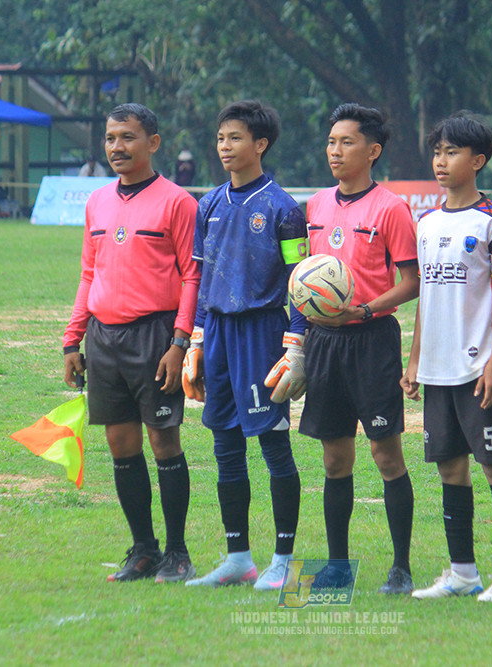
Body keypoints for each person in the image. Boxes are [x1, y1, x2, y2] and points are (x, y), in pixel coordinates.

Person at [63, 103, 200, 583]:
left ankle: (178, 552)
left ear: (153, 143)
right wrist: (71, 340)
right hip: (104, 337)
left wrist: (180, 341)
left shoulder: (178, 202)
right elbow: (88, 273)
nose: (117, 147)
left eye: (127, 137)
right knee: (121, 443)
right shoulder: (97, 203)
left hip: (155, 335)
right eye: (110, 138)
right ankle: (143, 550)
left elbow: (192, 276)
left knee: (163, 440)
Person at [181, 100, 308, 590]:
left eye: (235, 138)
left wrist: (295, 346)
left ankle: (283, 560)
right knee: (224, 446)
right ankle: (238, 558)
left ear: (260, 144)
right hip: (216, 335)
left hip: (261, 334)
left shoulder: (283, 208)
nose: (225, 147)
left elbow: (301, 281)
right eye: (220, 138)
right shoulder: (208, 204)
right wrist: (194, 338)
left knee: (274, 446)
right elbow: (200, 276)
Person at [401, 113, 492, 602]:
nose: (440, 161)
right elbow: (427, 299)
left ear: (477, 161)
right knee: (450, 468)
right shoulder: (426, 222)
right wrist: (414, 361)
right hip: (436, 368)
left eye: (451, 152)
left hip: (478, 368)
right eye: (437, 152)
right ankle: (462, 572)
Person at [299, 103, 420, 595]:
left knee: (385, 453)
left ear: (372, 151)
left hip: (372, 340)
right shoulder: (316, 205)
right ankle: (336, 566)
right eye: (331, 142)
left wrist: (366, 310)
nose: (335, 150)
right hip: (324, 341)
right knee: (334, 460)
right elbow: (303, 276)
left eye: (346, 142)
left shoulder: (391, 208)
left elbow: (411, 282)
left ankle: (401, 567)